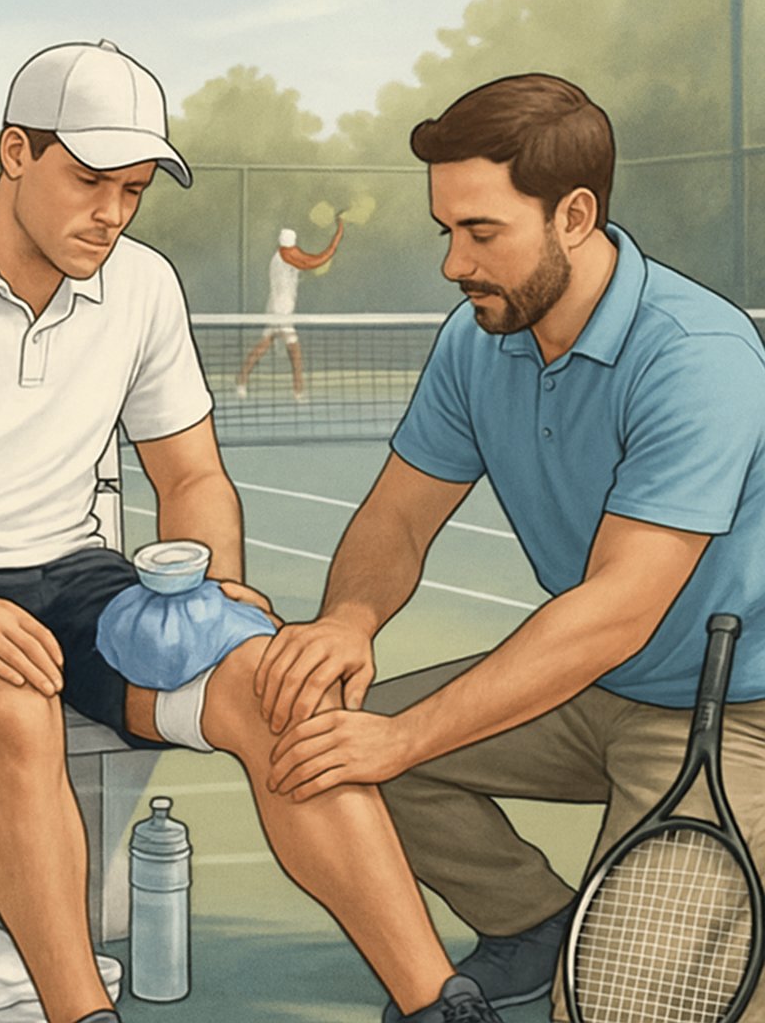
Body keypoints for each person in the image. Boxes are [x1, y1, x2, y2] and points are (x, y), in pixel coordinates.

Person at [0, 40, 506, 1023]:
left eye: (135, 188)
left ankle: (436, 1003)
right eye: (90, 179)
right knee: (17, 705)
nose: (111, 211)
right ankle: (82, 1014)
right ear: (15, 151)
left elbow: (189, 472)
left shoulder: (142, 285)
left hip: (80, 585)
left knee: (279, 687)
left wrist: (215, 584)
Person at [254, 72, 765, 1023]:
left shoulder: (700, 353)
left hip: (731, 717)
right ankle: (532, 923)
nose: (454, 263)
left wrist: (405, 733)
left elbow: (616, 610)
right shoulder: (477, 339)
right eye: (446, 231)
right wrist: (351, 619)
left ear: (575, 215)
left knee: (611, 1009)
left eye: (481, 233)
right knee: (319, 745)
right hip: (594, 692)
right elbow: (398, 517)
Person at [235, 220, 344, 401]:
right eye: (291, 248)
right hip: (280, 310)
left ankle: (242, 379)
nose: (293, 251)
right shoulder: (286, 256)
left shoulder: (285, 254)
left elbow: (306, 261)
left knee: (265, 345)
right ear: (285, 247)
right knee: (294, 350)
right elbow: (315, 261)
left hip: (278, 307)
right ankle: (298, 390)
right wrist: (337, 237)